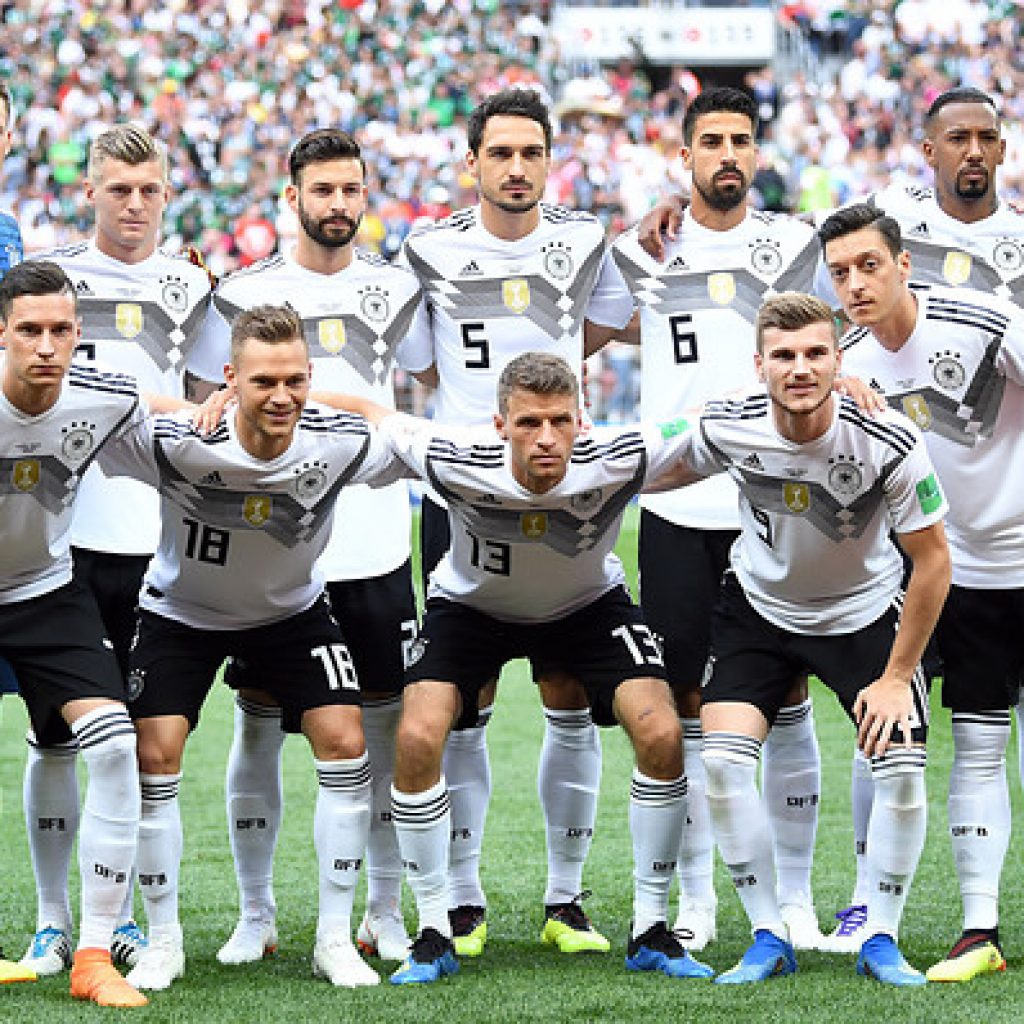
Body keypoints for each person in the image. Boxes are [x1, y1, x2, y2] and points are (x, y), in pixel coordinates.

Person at [325, 351, 713, 985]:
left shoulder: (618, 454)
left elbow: (706, 421)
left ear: (581, 420)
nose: (547, 438)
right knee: (418, 735)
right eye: (529, 422)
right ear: (500, 424)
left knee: (663, 734)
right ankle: (433, 929)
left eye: (561, 421)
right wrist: (240, 402)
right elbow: (373, 412)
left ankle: (650, 928)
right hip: (472, 607)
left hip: (586, 605)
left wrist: (838, 386)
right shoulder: (451, 453)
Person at [97, 304, 401, 992]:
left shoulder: (334, 441)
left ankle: (332, 938)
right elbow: (97, 403)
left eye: (295, 380)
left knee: (345, 738)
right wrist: (187, 401)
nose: (283, 396)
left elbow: (404, 432)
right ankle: (165, 939)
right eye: (263, 381)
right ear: (230, 378)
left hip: (291, 613)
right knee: (154, 754)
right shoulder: (177, 440)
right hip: (181, 612)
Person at [397, 88, 635, 957]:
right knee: (464, 698)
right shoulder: (426, 248)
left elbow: (610, 322)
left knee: (570, 694)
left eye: (531, 151)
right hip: (462, 494)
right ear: (473, 163)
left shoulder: (584, 239)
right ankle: (461, 901)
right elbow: (419, 361)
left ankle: (565, 902)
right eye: (500, 152)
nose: (517, 167)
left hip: (566, 491)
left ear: (549, 158)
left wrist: (546, 407)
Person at [188, 128, 430, 965]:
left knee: (384, 729)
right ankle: (255, 914)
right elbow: (206, 401)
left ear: (366, 196)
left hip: (372, 546)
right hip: (276, 550)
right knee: (257, 728)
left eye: (351, 190)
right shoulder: (239, 293)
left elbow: (418, 400)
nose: (338, 205)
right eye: (321, 190)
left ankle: (385, 912)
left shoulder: (400, 290)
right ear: (291, 198)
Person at [666, 290, 949, 985]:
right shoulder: (729, 423)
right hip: (760, 610)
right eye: (785, 356)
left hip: (862, 614)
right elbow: (651, 459)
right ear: (759, 365)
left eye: (816, 353)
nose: (801, 368)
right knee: (725, 764)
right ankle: (768, 934)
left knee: (903, 769)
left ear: (836, 358)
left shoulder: (888, 438)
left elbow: (935, 559)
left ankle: (880, 934)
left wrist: (894, 677)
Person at [609, 86, 825, 950]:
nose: (727, 153)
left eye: (741, 139)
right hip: (678, 503)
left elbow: (825, 343)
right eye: (712, 141)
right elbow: (586, 327)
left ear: (758, 154)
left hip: (774, 499)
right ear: (684, 155)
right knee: (692, 703)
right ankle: (697, 897)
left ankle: (798, 899)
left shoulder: (795, 244)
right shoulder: (644, 245)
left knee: (790, 692)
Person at [19, 124, 216, 977]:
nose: (133, 205)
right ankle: (51, 920)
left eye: (148, 190)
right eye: (117, 189)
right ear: (88, 191)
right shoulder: (52, 278)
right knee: (52, 738)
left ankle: (120, 916)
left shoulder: (189, 283)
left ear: (166, 195)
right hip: (66, 542)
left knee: (132, 740)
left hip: (154, 539)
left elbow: (212, 396)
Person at [820, 203, 1024, 983]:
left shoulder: (987, 322)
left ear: (905, 264)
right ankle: (975, 929)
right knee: (970, 743)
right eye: (841, 273)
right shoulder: (847, 364)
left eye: (869, 265)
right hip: (952, 575)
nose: (856, 283)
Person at [0, 260, 150, 1006]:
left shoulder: (103, 403)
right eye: (30, 330)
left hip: (44, 592)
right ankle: (48, 925)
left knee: (117, 744)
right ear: (3, 332)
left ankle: (92, 954)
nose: (46, 347)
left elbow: (165, 448)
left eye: (60, 330)